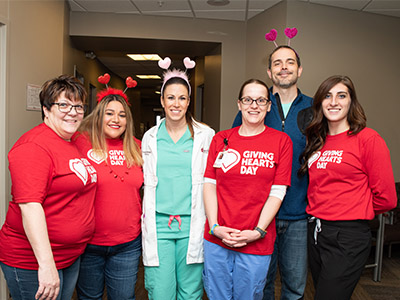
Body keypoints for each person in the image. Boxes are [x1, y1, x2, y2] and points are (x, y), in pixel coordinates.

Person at [299, 75, 397, 300]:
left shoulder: (368, 139)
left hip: (348, 236)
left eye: (341, 96)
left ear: (351, 102)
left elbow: (387, 199)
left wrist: (353, 209)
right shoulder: (316, 141)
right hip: (315, 232)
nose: (333, 102)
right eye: (327, 96)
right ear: (320, 103)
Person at [0, 75, 97, 300]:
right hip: (33, 260)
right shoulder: (33, 147)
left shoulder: (78, 141)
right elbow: (30, 207)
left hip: (69, 256)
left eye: (78, 106)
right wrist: (46, 266)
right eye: (63, 105)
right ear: (46, 109)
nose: (73, 112)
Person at [233, 45, 313, 300]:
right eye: (277, 63)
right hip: (257, 215)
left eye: (290, 62)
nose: (284, 67)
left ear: (299, 69)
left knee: (295, 288)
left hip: (298, 214)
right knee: (260, 286)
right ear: (269, 71)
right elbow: (236, 152)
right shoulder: (253, 105)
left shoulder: (315, 108)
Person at [203, 79, 293, 300]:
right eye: (248, 100)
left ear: (269, 106)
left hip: (256, 240)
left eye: (261, 100)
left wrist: (258, 231)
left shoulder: (282, 141)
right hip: (217, 238)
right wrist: (215, 227)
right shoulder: (221, 139)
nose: (254, 105)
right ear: (239, 104)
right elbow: (209, 185)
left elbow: (278, 192)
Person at [141, 67, 215, 300]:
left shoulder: (206, 135)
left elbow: (213, 181)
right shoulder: (150, 137)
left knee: (190, 292)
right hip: (159, 224)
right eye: (170, 97)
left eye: (182, 98)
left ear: (189, 101)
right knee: (160, 292)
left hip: (192, 223)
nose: (176, 103)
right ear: (162, 100)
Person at [74, 84, 143, 300]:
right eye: (109, 113)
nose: (116, 119)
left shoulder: (138, 147)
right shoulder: (79, 143)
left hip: (127, 244)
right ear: (98, 116)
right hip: (88, 245)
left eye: (122, 115)